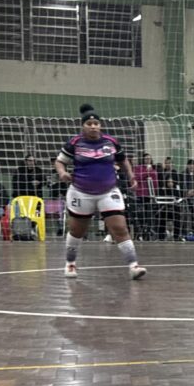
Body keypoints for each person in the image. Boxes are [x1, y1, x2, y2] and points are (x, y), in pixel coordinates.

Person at [55, 104, 146, 279]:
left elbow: (123, 160)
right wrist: (62, 173)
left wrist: (131, 177)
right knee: (77, 231)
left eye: (96, 123)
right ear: (83, 126)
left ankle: (133, 266)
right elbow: (60, 162)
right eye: (89, 124)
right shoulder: (74, 143)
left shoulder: (111, 142)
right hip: (81, 192)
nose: (93, 126)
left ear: (100, 125)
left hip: (108, 191)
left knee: (120, 228)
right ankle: (70, 264)